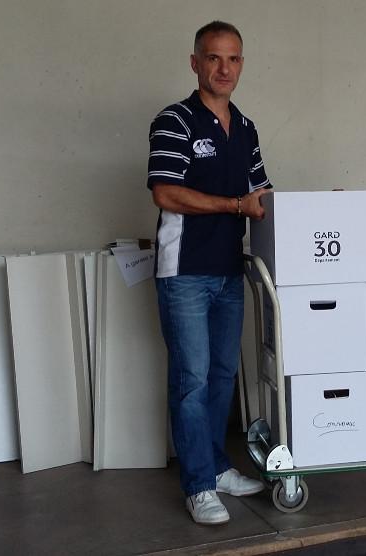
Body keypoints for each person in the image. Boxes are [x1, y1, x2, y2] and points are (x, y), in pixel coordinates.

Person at [147, 20, 271, 525]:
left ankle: (217, 467)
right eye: (214, 58)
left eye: (233, 58)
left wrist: (322, 211)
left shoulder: (245, 128)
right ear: (195, 63)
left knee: (222, 376)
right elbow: (165, 192)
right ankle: (198, 485)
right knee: (192, 380)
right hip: (184, 272)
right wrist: (235, 205)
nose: (224, 68)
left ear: (241, 64)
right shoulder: (175, 121)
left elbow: (261, 196)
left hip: (228, 270)